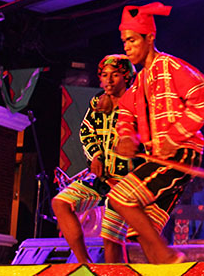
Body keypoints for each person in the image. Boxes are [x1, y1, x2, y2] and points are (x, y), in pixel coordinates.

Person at [109, 2, 204, 264]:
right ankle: (164, 265)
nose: (127, 47)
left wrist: (173, 137)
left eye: (132, 40)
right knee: (143, 230)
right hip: (161, 158)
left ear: (150, 38)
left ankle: (167, 255)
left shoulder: (170, 67)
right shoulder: (142, 79)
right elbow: (125, 111)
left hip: (180, 154)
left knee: (120, 198)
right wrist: (125, 136)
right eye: (124, 41)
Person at [52, 55, 138, 263]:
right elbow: (86, 131)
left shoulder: (137, 104)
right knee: (61, 203)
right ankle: (85, 265)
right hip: (101, 179)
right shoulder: (97, 103)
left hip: (126, 183)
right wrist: (96, 156)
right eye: (105, 75)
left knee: (111, 240)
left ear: (126, 77)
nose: (108, 81)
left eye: (115, 75)